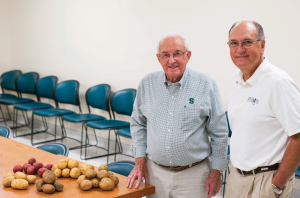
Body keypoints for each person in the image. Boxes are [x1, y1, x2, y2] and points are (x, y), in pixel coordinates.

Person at [126, 33, 228, 198]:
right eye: (165, 55)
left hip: (194, 175)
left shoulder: (205, 84)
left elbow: (220, 132)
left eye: (177, 53)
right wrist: (139, 162)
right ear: (159, 59)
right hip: (155, 173)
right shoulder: (147, 83)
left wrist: (217, 172)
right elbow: (138, 124)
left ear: (188, 56)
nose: (171, 60)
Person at [226, 21, 300, 198]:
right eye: (234, 43)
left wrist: (277, 184)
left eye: (247, 42)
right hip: (236, 178)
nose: (240, 49)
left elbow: (298, 137)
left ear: (262, 45)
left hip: (266, 181)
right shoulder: (235, 80)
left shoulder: (278, 82)